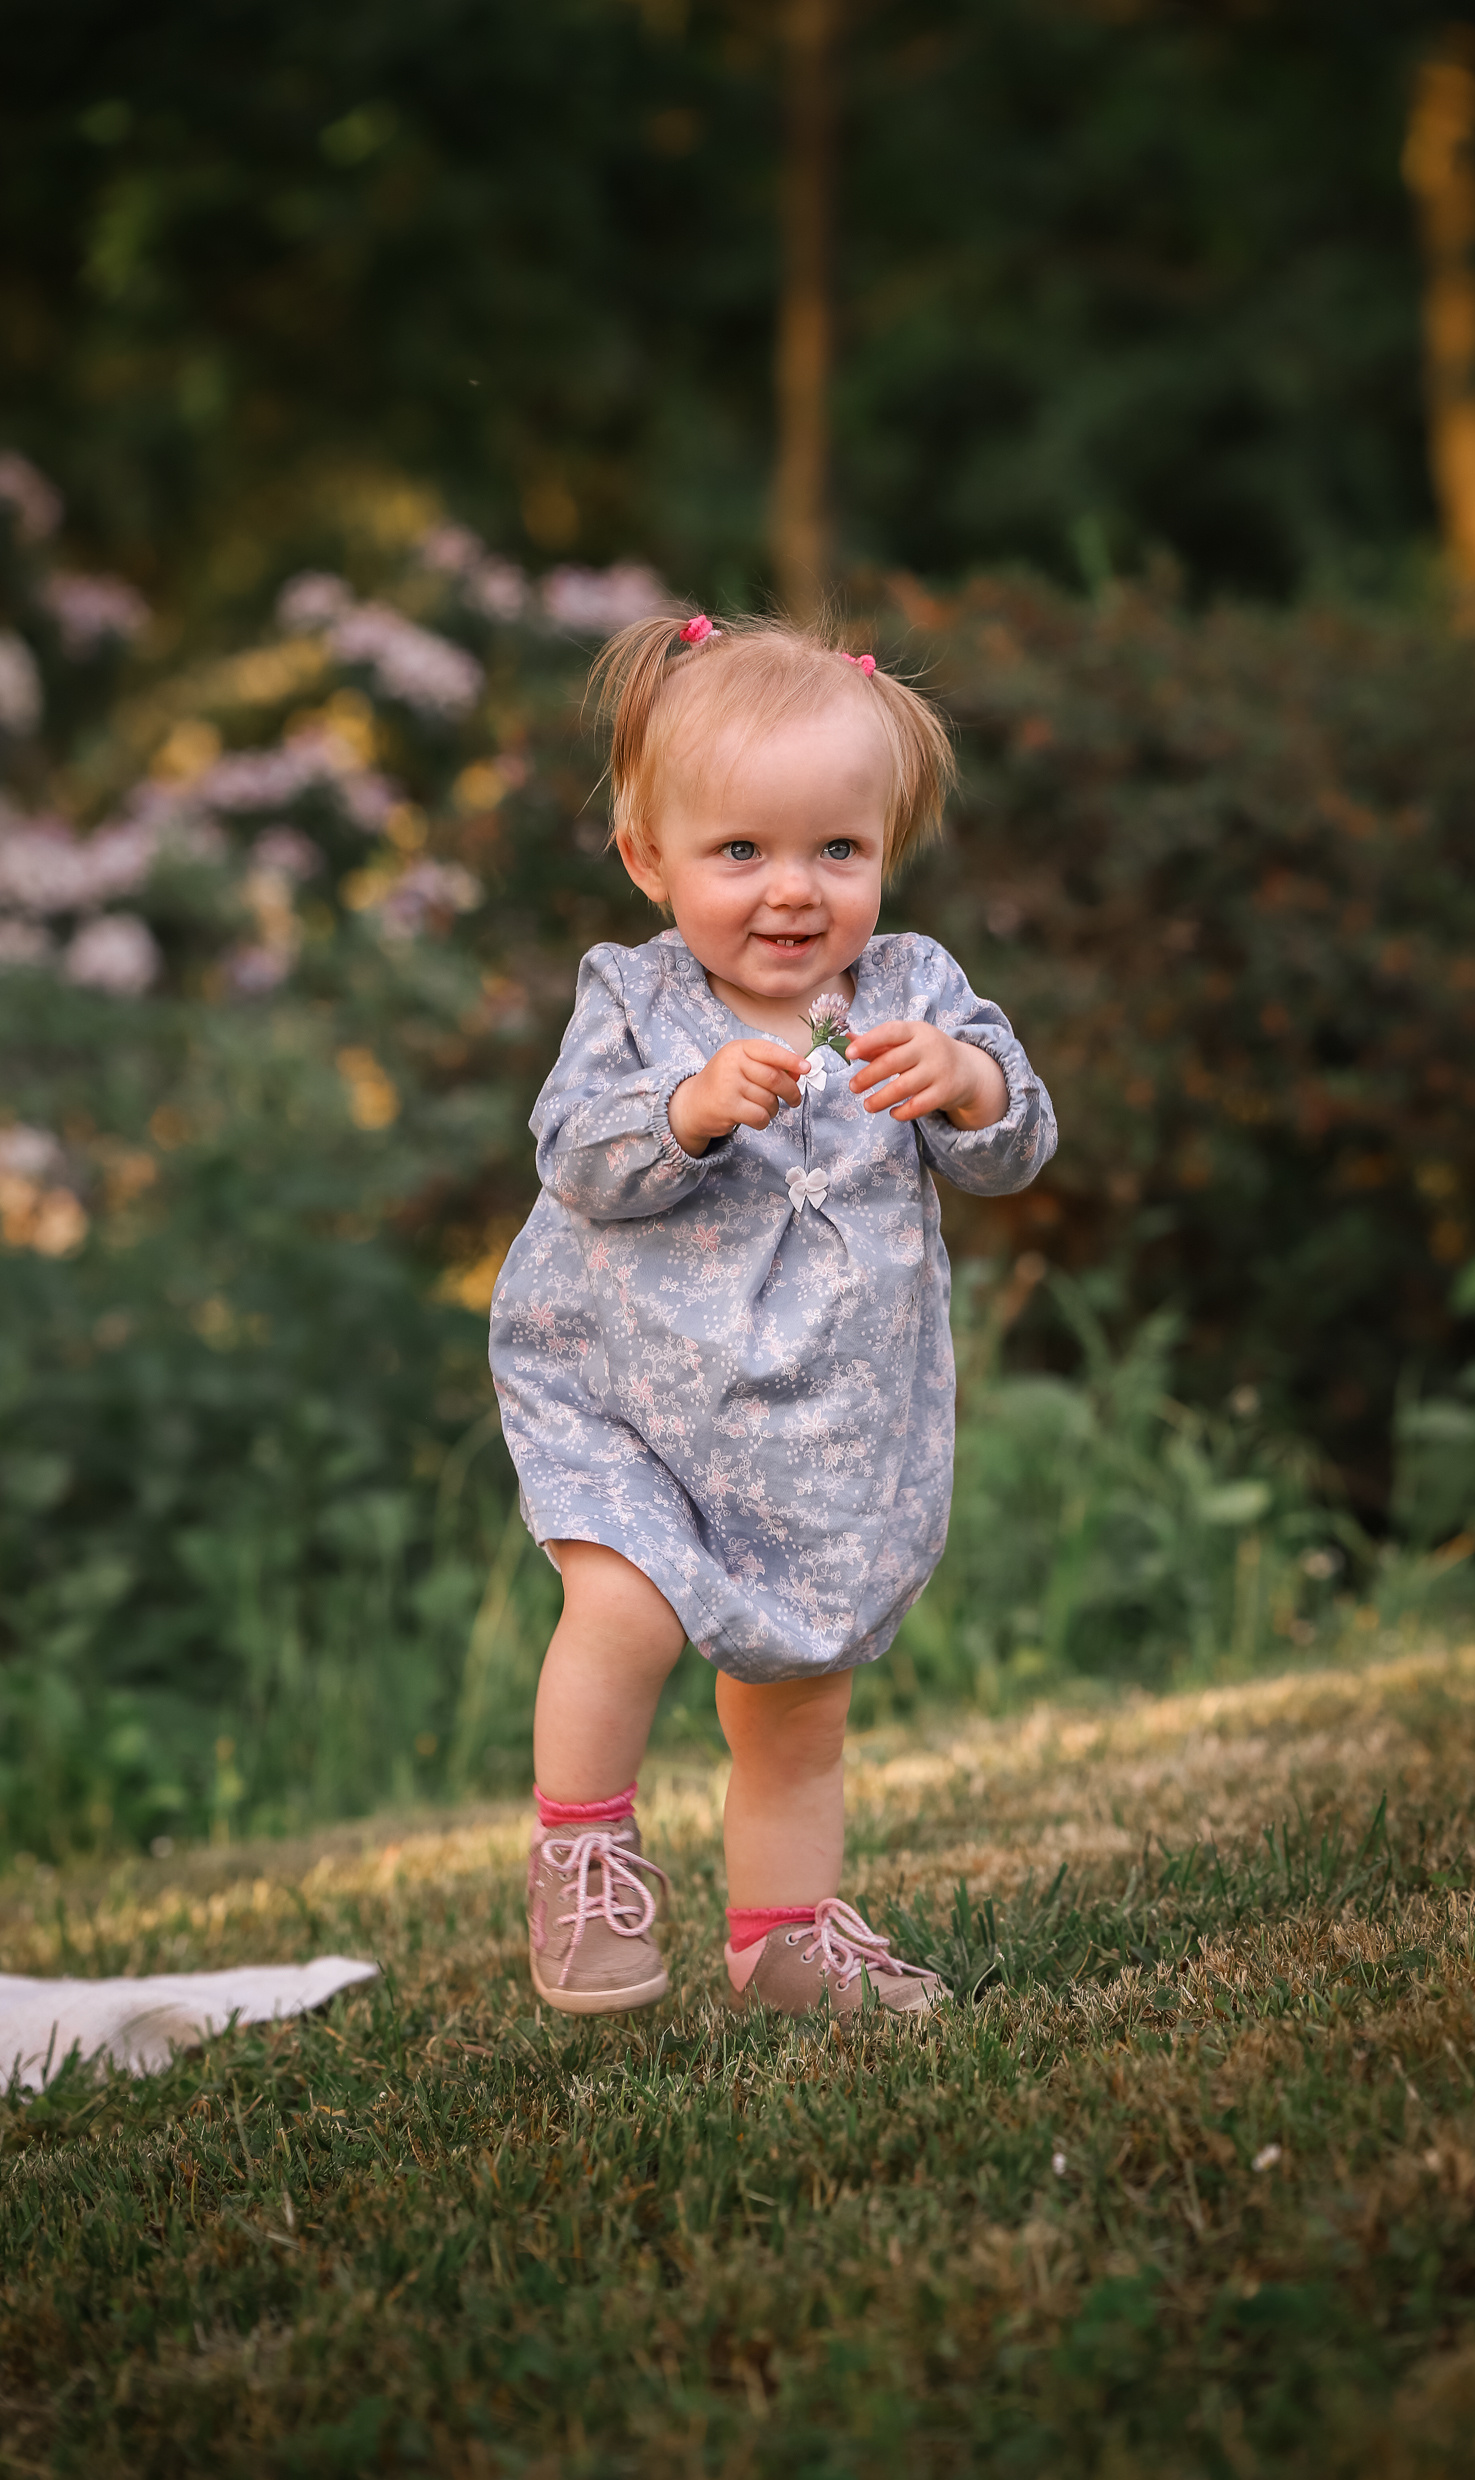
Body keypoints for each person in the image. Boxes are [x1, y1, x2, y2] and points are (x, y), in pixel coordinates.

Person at [489, 611, 1057, 2018]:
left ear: (884, 853)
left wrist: (966, 1083)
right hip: (624, 1397)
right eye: (740, 851)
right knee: (622, 1610)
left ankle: (784, 1942)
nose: (791, 891)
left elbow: (1014, 1144)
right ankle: (582, 1854)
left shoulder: (915, 994)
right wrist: (683, 1111)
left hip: (819, 1427)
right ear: (650, 860)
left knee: (798, 1710)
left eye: (836, 851)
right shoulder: (632, 1001)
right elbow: (573, 1156)